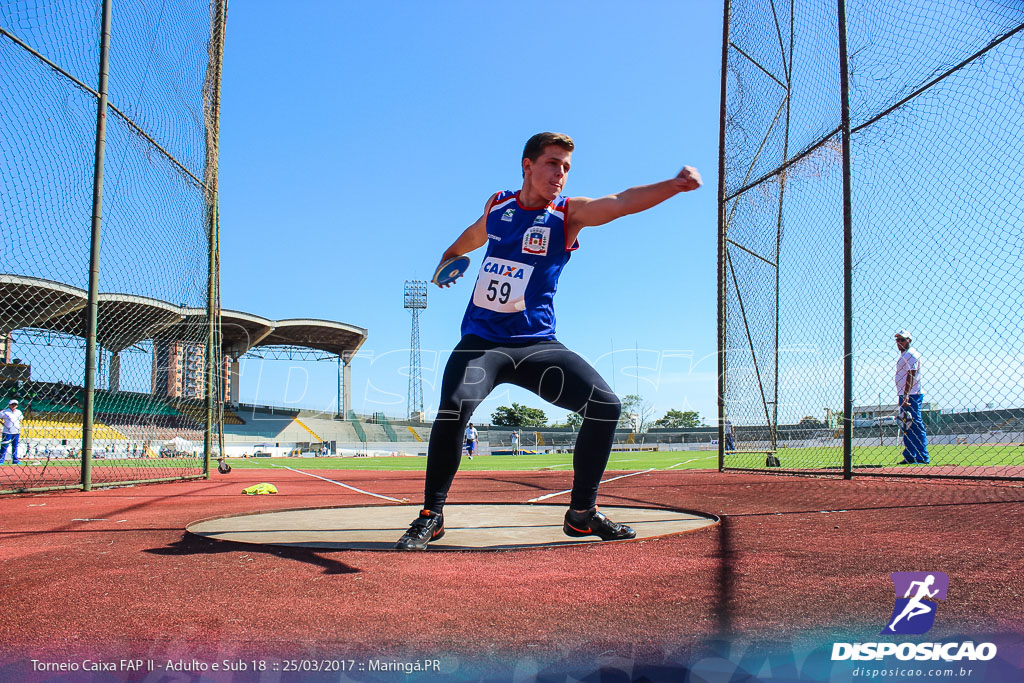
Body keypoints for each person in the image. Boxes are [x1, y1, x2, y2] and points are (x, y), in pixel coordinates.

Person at [396, 132, 702, 550]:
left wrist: (673, 185)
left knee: (606, 406)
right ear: (528, 165)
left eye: (567, 168)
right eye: (553, 163)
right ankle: (432, 516)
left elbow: (620, 202)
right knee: (452, 409)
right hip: (482, 344)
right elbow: (473, 236)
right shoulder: (499, 204)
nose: (561, 174)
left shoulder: (567, 215)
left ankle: (581, 515)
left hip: (537, 346)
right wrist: (449, 258)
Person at [895, 329, 929, 464]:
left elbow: (911, 374)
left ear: (909, 340)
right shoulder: (905, 355)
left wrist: (907, 395)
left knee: (914, 423)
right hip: (905, 393)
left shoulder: (911, 355)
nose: (899, 342)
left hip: (912, 394)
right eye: (897, 340)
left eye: (902, 340)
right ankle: (910, 455)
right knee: (907, 425)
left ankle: (922, 456)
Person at [0, 399, 24, 465]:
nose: (14, 406)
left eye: (15, 404)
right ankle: (1, 460)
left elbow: (21, 419)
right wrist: (2, 423)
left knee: (15, 446)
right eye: (12, 404)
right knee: (4, 446)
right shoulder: (5, 412)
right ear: (9, 405)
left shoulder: (19, 412)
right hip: (7, 432)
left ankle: (15, 460)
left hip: (16, 432)